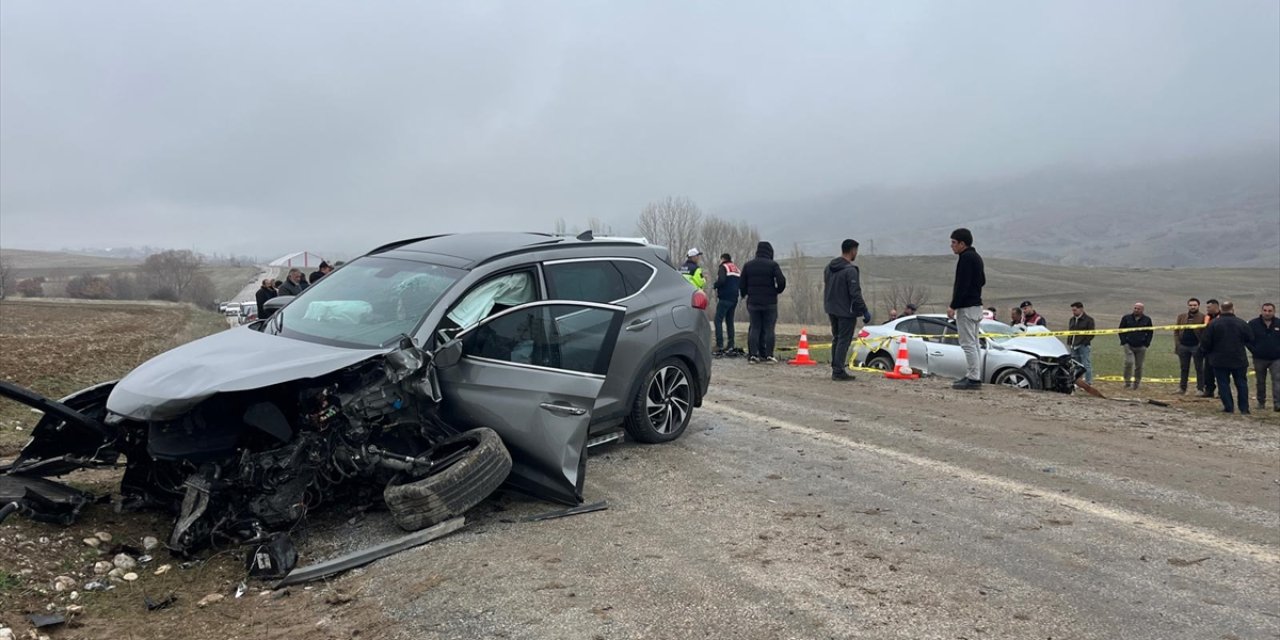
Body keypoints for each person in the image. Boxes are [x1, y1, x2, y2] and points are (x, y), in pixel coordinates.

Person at [823, 239, 870, 381]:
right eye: (856, 251)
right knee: (844, 340)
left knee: (837, 338)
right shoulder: (850, 271)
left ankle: (835, 367)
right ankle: (838, 371)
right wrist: (864, 311)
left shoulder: (829, 268)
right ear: (852, 251)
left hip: (831, 308)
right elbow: (855, 293)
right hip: (846, 311)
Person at [947, 228, 985, 390]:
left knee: (968, 344)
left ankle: (973, 378)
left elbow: (962, 285)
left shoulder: (966, 259)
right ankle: (974, 374)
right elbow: (982, 281)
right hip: (977, 305)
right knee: (974, 343)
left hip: (967, 307)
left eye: (954, 243)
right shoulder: (976, 257)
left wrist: (954, 305)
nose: (952, 246)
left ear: (962, 243)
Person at [1200, 301, 1253, 414]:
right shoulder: (1241, 323)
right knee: (1241, 384)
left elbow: (1206, 342)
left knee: (1223, 383)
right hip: (1239, 359)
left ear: (1221, 309)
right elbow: (1250, 338)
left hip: (1219, 360)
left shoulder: (1213, 324)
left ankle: (1229, 407)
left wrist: (1207, 353)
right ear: (1232, 309)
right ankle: (1244, 408)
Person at [739, 241, 786, 364]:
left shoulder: (748, 265)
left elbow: (742, 284)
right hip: (770, 302)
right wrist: (777, 291)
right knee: (769, 329)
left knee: (755, 328)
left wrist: (745, 293)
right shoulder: (773, 265)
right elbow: (781, 281)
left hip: (753, 302)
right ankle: (769, 355)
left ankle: (753, 355)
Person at [1247, 302, 1279, 412]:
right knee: (1260, 381)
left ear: (1274, 311)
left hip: (1276, 358)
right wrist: (1254, 350)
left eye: (1270, 311)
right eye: (1265, 310)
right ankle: (1261, 402)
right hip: (1259, 358)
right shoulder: (1253, 324)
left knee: (1277, 380)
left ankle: (1277, 403)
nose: (1267, 313)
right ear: (1261, 311)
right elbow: (1247, 339)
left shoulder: (1279, 323)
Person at [1174, 297, 1206, 395]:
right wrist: (1178, 344)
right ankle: (1182, 388)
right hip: (1183, 346)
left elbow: (1205, 333)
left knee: (1199, 368)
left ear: (1198, 306)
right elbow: (1176, 331)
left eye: (1194, 305)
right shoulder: (1181, 316)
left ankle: (1200, 389)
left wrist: (1201, 345)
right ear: (1188, 306)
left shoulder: (1203, 317)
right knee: (1184, 368)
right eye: (1191, 305)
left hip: (1196, 346)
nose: (1192, 307)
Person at [1118, 302, 1154, 389]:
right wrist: (1124, 342)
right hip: (1128, 345)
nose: (1136, 310)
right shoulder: (1126, 318)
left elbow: (1150, 332)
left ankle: (1136, 383)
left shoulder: (1147, 319)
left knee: (1139, 365)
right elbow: (1121, 330)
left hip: (1141, 346)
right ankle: (1127, 382)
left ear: (1142, 310)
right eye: (1135, 308)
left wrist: (1146, 344)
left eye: (1138, 309)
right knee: (1129, 362)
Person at [711, 253, 741, 356]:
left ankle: (719, 344)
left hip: (724, 298)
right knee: (730, 321)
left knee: (717, 320)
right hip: (734, 298)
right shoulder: (736, 269)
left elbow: (722, 280)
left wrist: (715, 285)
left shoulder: (723, 267)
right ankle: (731, 344)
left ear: (723, 259)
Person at [1067, 302, 1095, 383]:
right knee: (1075, 365)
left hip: (1083, 346)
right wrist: (1070, 342)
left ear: (1081, 309)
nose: (1073, 312)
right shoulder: (1072, 320)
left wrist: (1085, 343)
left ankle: (1088, 382)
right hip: (1073, 346)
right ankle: (1077, 382)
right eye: (1072, 310)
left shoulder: (1089, 320)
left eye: (1075, 310)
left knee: (1086, 365)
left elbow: (1091, 334)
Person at [1199, 299, 1222, 398]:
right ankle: (1209, 390)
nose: (1207, 309)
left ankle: (1221, 392)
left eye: (1209, 307)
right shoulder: (1207, 317)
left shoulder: (1221, 318)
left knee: (1220, 372)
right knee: (1207, 371)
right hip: (1208, 349)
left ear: (1215, 307)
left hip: (1219, 349)